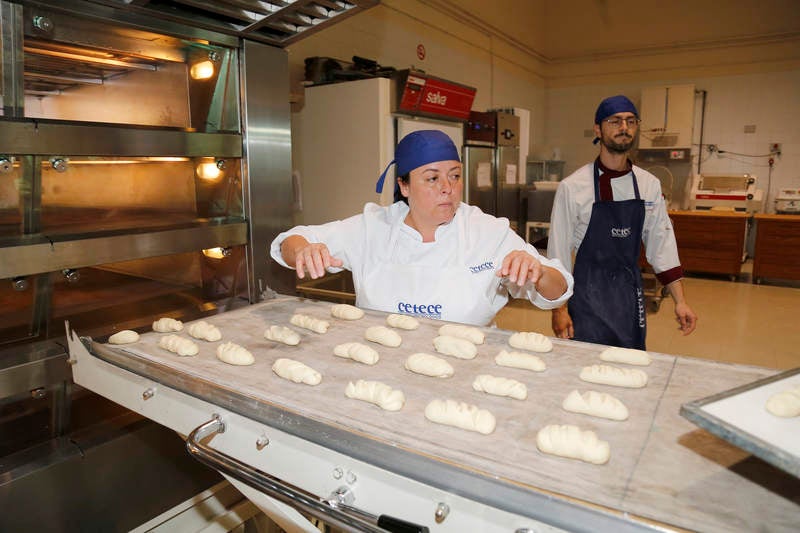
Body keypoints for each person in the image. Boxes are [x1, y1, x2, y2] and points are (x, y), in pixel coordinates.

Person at [270, 129, 573, 326]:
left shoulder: (488, 232)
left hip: (469, 373)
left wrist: (540, 271)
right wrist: (303, 250)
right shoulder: (372, 227)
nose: (448, 188)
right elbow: (289, 242)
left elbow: (558, 290)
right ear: (404, 185)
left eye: (454, 176)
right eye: (432, 178)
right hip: (382, 367)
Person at [547, 95, 698, 349]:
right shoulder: (573, 187)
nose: (624, 128)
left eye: (630, 121)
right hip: (586, 297)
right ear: (598, 129)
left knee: (631, 366)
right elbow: (558, 253)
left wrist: (680, 301)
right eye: (615, 121)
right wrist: (558, 309)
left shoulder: (648, 185)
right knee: (584, 369)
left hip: (629, 297)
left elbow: (662, 245)